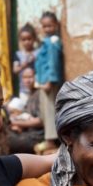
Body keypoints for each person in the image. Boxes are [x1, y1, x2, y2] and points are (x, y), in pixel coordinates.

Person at [34, 10, 64, 151]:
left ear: (56, 25)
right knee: (45, 110)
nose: (47, 29)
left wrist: (50, 81)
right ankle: (49, 138)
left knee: (50, 109)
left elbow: (53, 63)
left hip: (48, 83)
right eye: (45, 26)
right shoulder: (45, 42)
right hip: (43, 81)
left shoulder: (52, 42)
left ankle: (50, 140)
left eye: (50, 26)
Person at [5, 64, 44, 153]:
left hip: (36, 137)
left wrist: (14, 122)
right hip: (26, 134)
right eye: (25, 77)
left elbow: (40, 121)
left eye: (30, 77)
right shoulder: (29, 96)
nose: (27, 80)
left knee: (4, 140)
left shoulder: (40, 94)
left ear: (36, 77)